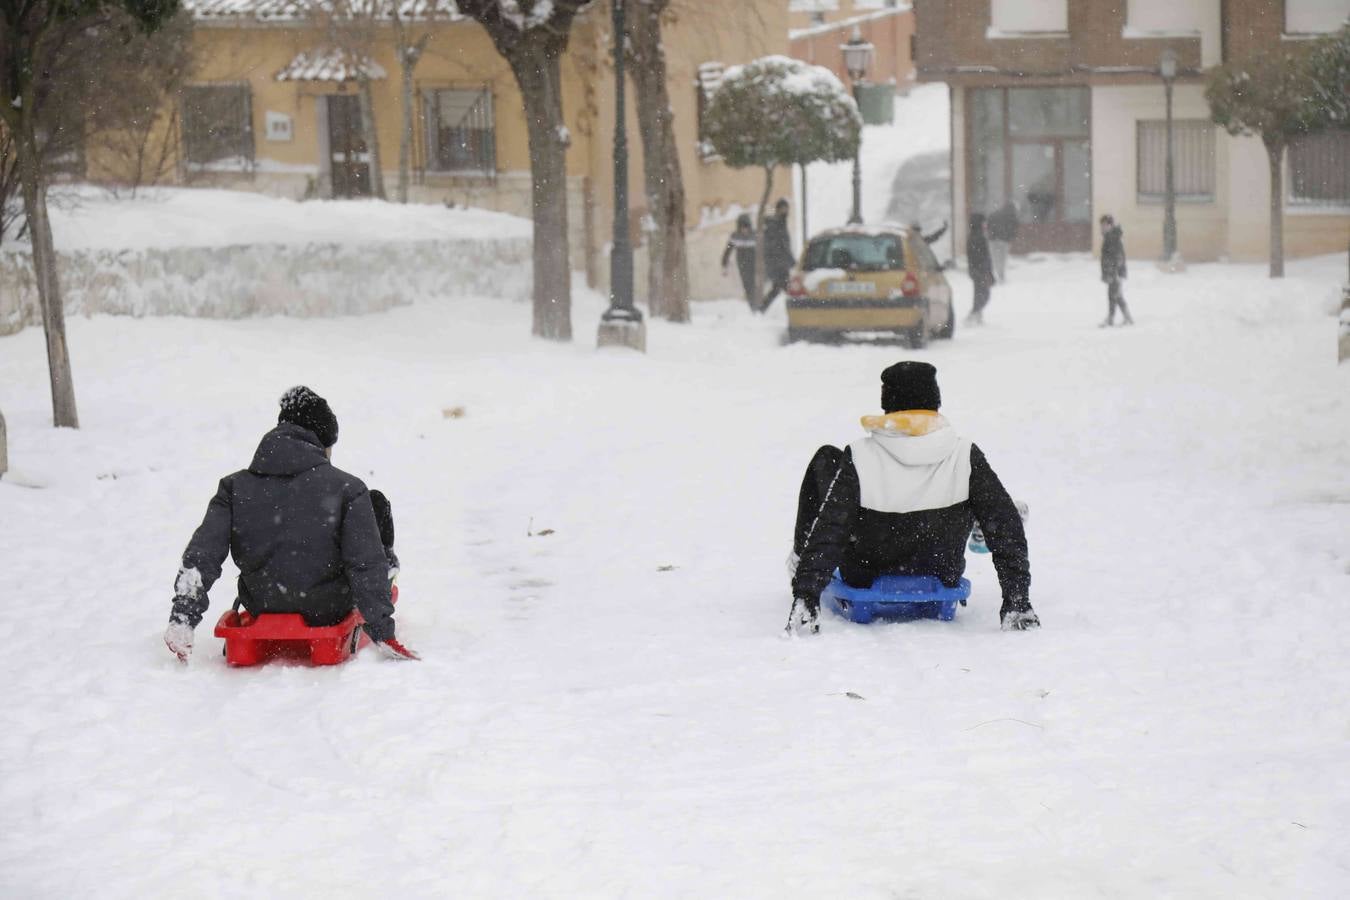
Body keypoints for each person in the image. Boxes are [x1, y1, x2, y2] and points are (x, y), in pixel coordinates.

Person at [162, 386, 419, 663]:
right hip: (329, 608)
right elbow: (364, 562)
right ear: (322, 442)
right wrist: (383, 630)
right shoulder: (348, 489)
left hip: (262, 604)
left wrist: (183, 617)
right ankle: (388, 570)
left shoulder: (234, 488)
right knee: (375, 504)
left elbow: (203, 554)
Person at [785, 361, 1038, 635]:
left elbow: (831, 528)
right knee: (994, 509)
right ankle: (982, 519)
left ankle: (800, 554)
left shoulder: (859, 457)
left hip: (866, 571)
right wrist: (1017, 600)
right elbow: (1008, 529)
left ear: (887, 404)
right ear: (935, 403)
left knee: (826, 459)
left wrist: (806, 592)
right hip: (941, 567)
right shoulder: (964, 453)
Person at [760, 198, 794, 313]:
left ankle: (761, 309)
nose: (785, 211)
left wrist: (791, 260)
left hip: (781, 263)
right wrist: (783, 261)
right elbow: (774, 246)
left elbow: (784, 245)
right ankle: (796, 310)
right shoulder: (774, 224)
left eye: (786, 208)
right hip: (777, 264)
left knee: (778, 289)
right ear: (778, 209)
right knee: (789, 289)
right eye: (783, 208)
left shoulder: (781, 223)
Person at [1099, 214, 1133, 327]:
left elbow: (1117, 257)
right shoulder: (1110, 237)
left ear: (1110, 225)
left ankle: (1113, 318)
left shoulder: (1112, 238)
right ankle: (1124, 318)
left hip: (1115, 272)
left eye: (1104, 225)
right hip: (1113, 272)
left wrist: (1114, 273)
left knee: (1114, 295)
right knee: (1115, 295)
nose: (1102, 228)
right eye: (1101, 225)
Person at [721, 214, 758, 311]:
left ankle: (756, 305)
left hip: (755, 264)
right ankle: (753, 306)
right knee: (747, 285)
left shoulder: (755, 235)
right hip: (742, 264)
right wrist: (724, 265)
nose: (744, 230)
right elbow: (727, 251)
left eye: (746, 227)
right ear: (739, 227)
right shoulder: (735, 236)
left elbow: (764, 250)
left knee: (755, 285)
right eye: (742, 227)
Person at [965, 213, 995, 325]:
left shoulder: (976, 236)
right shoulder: (978, 237)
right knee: (983, 294)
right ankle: (974, 314)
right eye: (984, 223)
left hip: (977, 270)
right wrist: (986, 271)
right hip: (979, 270)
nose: (985, 225)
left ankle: (977, 314)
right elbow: (982, 256)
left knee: (980, 293)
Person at [986, 201, 1018, 282]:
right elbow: (1014, 228)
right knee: (1002, 258)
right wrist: (1011, 238)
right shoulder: (1012, 216)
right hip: (1004, 240)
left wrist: (991, 234)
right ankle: (1001, 274)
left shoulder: (994, 214)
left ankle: (995, 273)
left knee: (995, 258)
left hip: (993, 239)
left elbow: (988, 225)